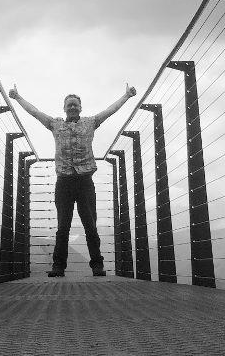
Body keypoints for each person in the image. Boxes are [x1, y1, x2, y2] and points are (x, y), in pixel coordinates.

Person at [9, 84, 137, 277]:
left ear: (80, 108)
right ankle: (58, 266)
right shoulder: (54, 124)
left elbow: (110, 110)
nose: (72, 108)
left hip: (85, 181)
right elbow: (35, 112)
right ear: (64, 108)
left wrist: (126, 95)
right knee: (63, 226)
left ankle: (97, 266)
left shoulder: (91, 123)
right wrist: (17, 97)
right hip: (64, 182)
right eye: (69, 105)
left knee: (90, 225)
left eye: (75, 105)